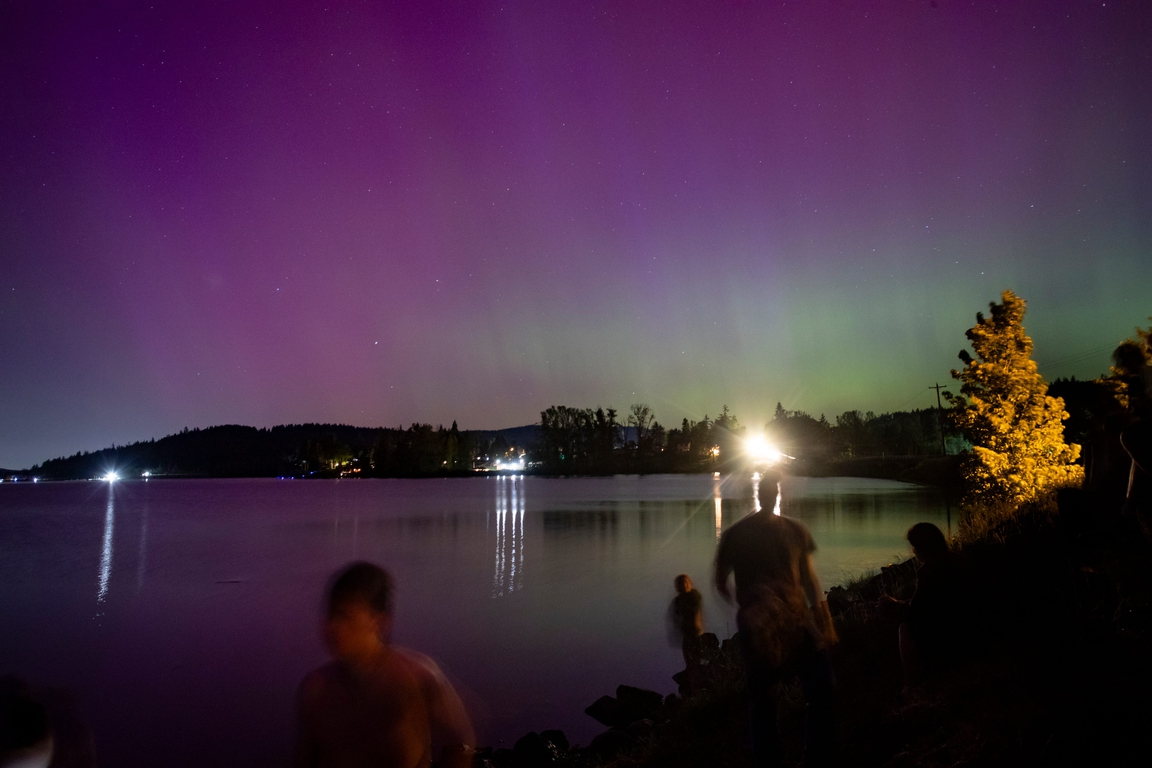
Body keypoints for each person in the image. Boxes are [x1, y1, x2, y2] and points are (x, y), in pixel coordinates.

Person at [293, 562, 475, 768]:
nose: (332, 627)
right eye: (331, 615)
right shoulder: (315, 691)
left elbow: (462, 744)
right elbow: (304, 759)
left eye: (344, 616)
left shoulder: (417, 677)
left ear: (377, 620)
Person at [714, 471, 838, 768]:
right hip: (760, 629)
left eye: (773, 490)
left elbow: (808, 578)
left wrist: (824, 619)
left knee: (822, 687)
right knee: (764, 702)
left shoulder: (795, 530)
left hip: (797, 621)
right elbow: (720, 580)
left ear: (777, 493)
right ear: (758, 494)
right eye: (764, 491)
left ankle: (816, 756)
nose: (769, 495)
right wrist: (751, 609)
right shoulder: (736, 534)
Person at [884, 523, 968, 692]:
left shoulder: (929, 571)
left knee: (905, 628)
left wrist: (892, 607)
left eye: (914, 546)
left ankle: (911, 684)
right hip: (966, 625)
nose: (913, 551)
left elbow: (915, 612)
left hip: (950, 632)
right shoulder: (956, 560)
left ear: (922, 547)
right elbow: (925, 602)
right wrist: (900, 602)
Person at [668, 574, 704, 668]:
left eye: (686, 582)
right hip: (687, 636)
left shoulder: (695, 596)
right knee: (689, 663)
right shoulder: (678, 600)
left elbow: (693, 611)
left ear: (690, 584)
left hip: (696, 635)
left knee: (697, 662)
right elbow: (675, 616)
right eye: (681, 583)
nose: (684, 585)